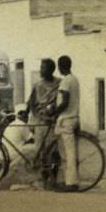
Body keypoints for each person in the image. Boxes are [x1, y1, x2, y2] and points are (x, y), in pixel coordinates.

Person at [53, 55, 81, 192]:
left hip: (66, 119)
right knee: (65, 152)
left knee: (68, 153)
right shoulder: (74, 80)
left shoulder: (65, 81)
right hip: (73, 118)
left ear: (60, 67)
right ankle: (67, 180)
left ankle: (71, 183)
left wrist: (54, 111)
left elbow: (64, 102)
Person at [27, 59, 61, 150]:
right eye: (41, 67)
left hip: (53, 122)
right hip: (40, 122)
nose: (41, 70)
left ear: (51, 69)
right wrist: (36, 115)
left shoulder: (59, 83)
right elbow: (31, 102)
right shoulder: (37, 85)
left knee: (52, 150)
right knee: (39, 149)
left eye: (43, 68)